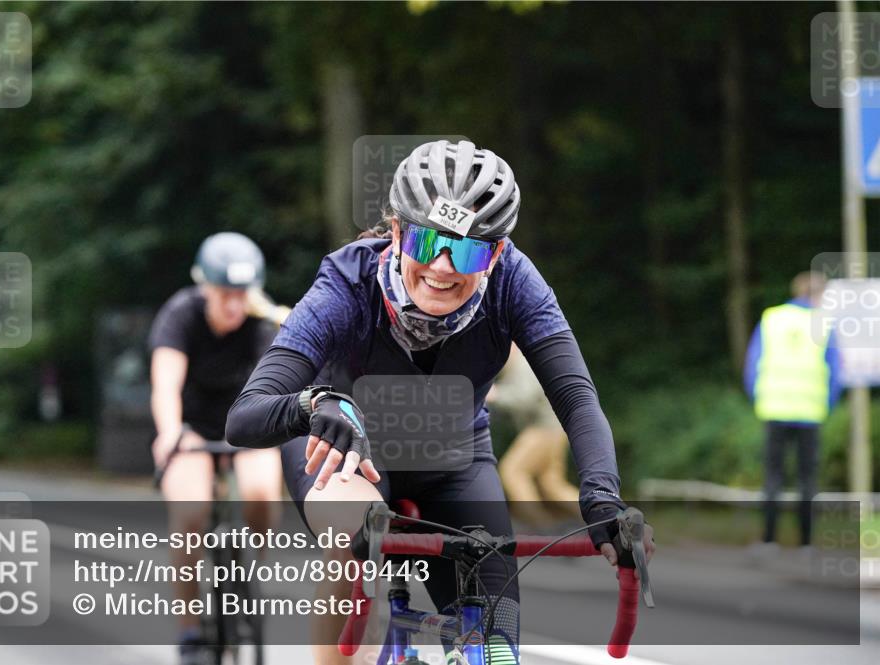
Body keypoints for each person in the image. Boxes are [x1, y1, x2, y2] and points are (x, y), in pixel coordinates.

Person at [226, 140, 655, 664]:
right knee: (353, 546)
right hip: (344, 448)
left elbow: (575, 396)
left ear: (495, 254)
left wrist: (602, 501)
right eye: (429, 243)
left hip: (454, 459)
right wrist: (313, 404)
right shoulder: (347, 281)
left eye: (471, 249)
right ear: (398, 232)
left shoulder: (516, 283)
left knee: (498, 645)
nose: (445, 267)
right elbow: (246, 416)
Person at [149, 232, 286, 665]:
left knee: (263, 492)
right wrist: (170, 433)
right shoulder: (180, 314)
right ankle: (190, 629)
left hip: (247, 427)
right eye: (224, 294)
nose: (233, 306)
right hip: (192, 429)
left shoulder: (262, 321)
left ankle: (249, 576)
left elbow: (278, 384)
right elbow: (165, 382)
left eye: (241, 295)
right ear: (204, 287)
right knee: (189, 514)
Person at [744, 271, 841, 553]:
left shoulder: (772, 318)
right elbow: (836, 373)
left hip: (774, 409)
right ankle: (806, 544)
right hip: (810, 413)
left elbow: (752, 364)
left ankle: (769, 540)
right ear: (820, 294)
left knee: (772, 478)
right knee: (807, 481)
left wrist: (759, 398)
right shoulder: (824, 324)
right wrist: (827, 405)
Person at [492, 343, 581, 526]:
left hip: (543, 428)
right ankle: (611, 517)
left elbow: (525, 398)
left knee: (512, 471)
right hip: (554, 428)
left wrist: (495, 395)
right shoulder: (516, 368)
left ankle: (543, 527)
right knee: (552, 484)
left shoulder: (523, 365)